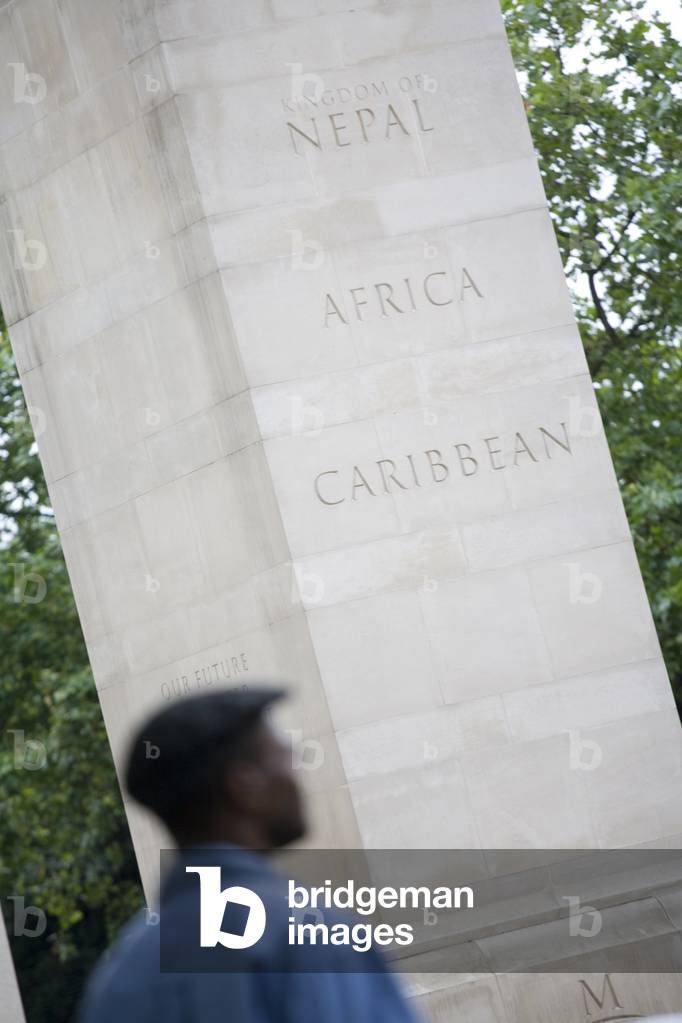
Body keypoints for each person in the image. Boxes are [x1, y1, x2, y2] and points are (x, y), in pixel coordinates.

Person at [77, 686, 420, 1022]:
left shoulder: (121, 975)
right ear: (245, 785)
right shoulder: (311, 935)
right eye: (285, 757)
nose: (297, 772)